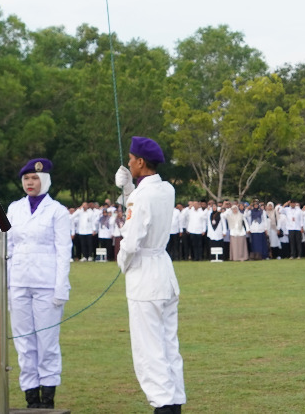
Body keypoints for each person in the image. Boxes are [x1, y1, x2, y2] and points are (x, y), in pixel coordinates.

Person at [115, 137, 187, 414]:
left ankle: (163, 406)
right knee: (169, 347)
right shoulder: (166, 189)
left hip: (145, 275)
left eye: (132, 159)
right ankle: (174, 403)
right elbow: (146, 204)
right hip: (163, 271)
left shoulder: (142, 196)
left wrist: (122, 262)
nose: (129, 163)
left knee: (149, 351)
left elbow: (131, 241)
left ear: (141, 162)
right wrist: (129, 188)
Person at [6, 158, 73, 410]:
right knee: (24, 341)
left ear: (44, 180)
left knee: (46, 342)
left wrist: (61, 287)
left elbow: (63, 251)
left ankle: (48, 396)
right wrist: (7, 285)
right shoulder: (14, 209)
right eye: (26, 179)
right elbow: (8, 247)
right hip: (19, 282)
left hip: (47, 284)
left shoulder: (57, 211)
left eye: (34, 178)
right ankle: (30, 396)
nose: (29, 183)